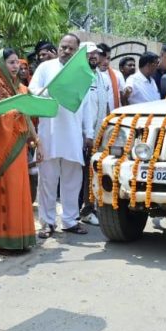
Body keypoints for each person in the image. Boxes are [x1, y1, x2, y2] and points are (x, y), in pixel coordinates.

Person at [29, 33, 93, 237]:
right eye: (63, 47)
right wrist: (52, 91)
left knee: (72, 181)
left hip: (73, 135)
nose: (66, 51)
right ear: (58, 47)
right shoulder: (45, 68)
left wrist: (88, 132)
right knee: (47, 180)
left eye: (71, 48)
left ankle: (70, 220)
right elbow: (32, 90)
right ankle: (47, 223)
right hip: (49, 134)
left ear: (76, 51)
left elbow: (87, 105)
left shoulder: (82, 73)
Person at [0, 48, 40, 251]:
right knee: (3, 189)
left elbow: (27, 118)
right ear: (0, 64)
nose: (15, 66)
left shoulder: (22, 89)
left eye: (17, 62)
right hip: (2, 148)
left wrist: (37, 140)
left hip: (19, 147)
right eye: (10, 62)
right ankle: (0, 239)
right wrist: (12, 112)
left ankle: (20, 237)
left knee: (19, 190)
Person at [77, 43, 108, 226]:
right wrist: (85, 134)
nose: (94, 56)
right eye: (89, 53)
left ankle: (90, 208)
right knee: (82, 175)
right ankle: (84, 210)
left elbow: (105, 103)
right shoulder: (81, 77)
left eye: (96, 53)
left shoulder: (101, 76)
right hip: (83, 135)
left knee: (93, 172)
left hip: (99, 133)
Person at [96, 42, 130, 110]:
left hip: (113, 116)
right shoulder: (91, 76)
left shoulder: (117, 74)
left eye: (108, 58)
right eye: (103, 58)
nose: (106, 61)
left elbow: (122, 96)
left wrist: (127, 93)